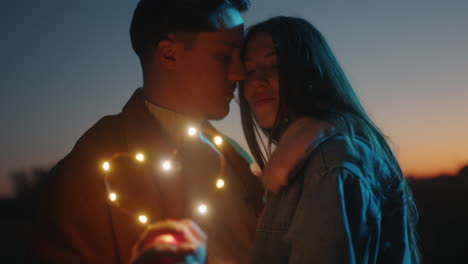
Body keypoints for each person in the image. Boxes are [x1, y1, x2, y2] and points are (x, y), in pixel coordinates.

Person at [134, 16, 421, 263]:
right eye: (249, 69)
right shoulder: (310, 158)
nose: (256, 80)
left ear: (310, 73)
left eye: (274, 65)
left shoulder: (327, 166)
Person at [31, 1, 264, 263]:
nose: (240, 72)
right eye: (224, 56)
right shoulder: (94, 164)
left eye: (240, 56)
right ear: (168, 54)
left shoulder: (233, 156)